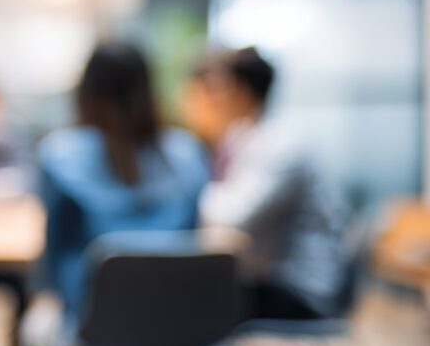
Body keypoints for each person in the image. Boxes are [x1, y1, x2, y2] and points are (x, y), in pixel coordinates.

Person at [36, 43, 211, 329]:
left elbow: (54, 264)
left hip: (95, 332)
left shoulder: (59, 155)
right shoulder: (189, 153)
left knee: (33, 329)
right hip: (181, 332)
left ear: (85, 92)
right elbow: (193, 239)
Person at [183, 46, 345, 320]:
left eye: (216, 89)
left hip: (298, 289)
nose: (206, 101)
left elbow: (232, 218)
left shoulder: (281, 147)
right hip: (265, 280)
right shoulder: (243, 140)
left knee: (186, 302)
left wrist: (200, 152)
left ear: (241, 91)